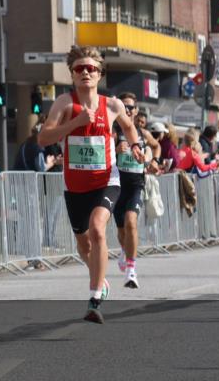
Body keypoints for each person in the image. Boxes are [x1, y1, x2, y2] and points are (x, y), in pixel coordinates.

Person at [39, 46, 142, 324]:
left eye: (91, 68)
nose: (86, 72)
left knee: (98, 230)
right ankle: (102, 279)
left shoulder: (112, 105)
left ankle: (95, 297)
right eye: (79, 69)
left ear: (100, 73)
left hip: (106, 180)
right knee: (84, 247)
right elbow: (44, 138)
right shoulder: (64, 103)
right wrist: (75, 123)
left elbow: (129, 126)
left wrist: (135, 145)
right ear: (72, 74)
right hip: (75, 187)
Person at [113, 92, 151, 289]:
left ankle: (131, 269)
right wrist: (114, 150)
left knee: (131, 222)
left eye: (130, 107)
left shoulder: (142, 133)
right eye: (124, 107)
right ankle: (124, 251)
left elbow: (155, 147)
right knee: (121, 230)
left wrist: (151, 160)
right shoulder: (113, 131)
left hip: (136, 183)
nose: (127, 110)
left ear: (136, 111)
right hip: (116, 185)